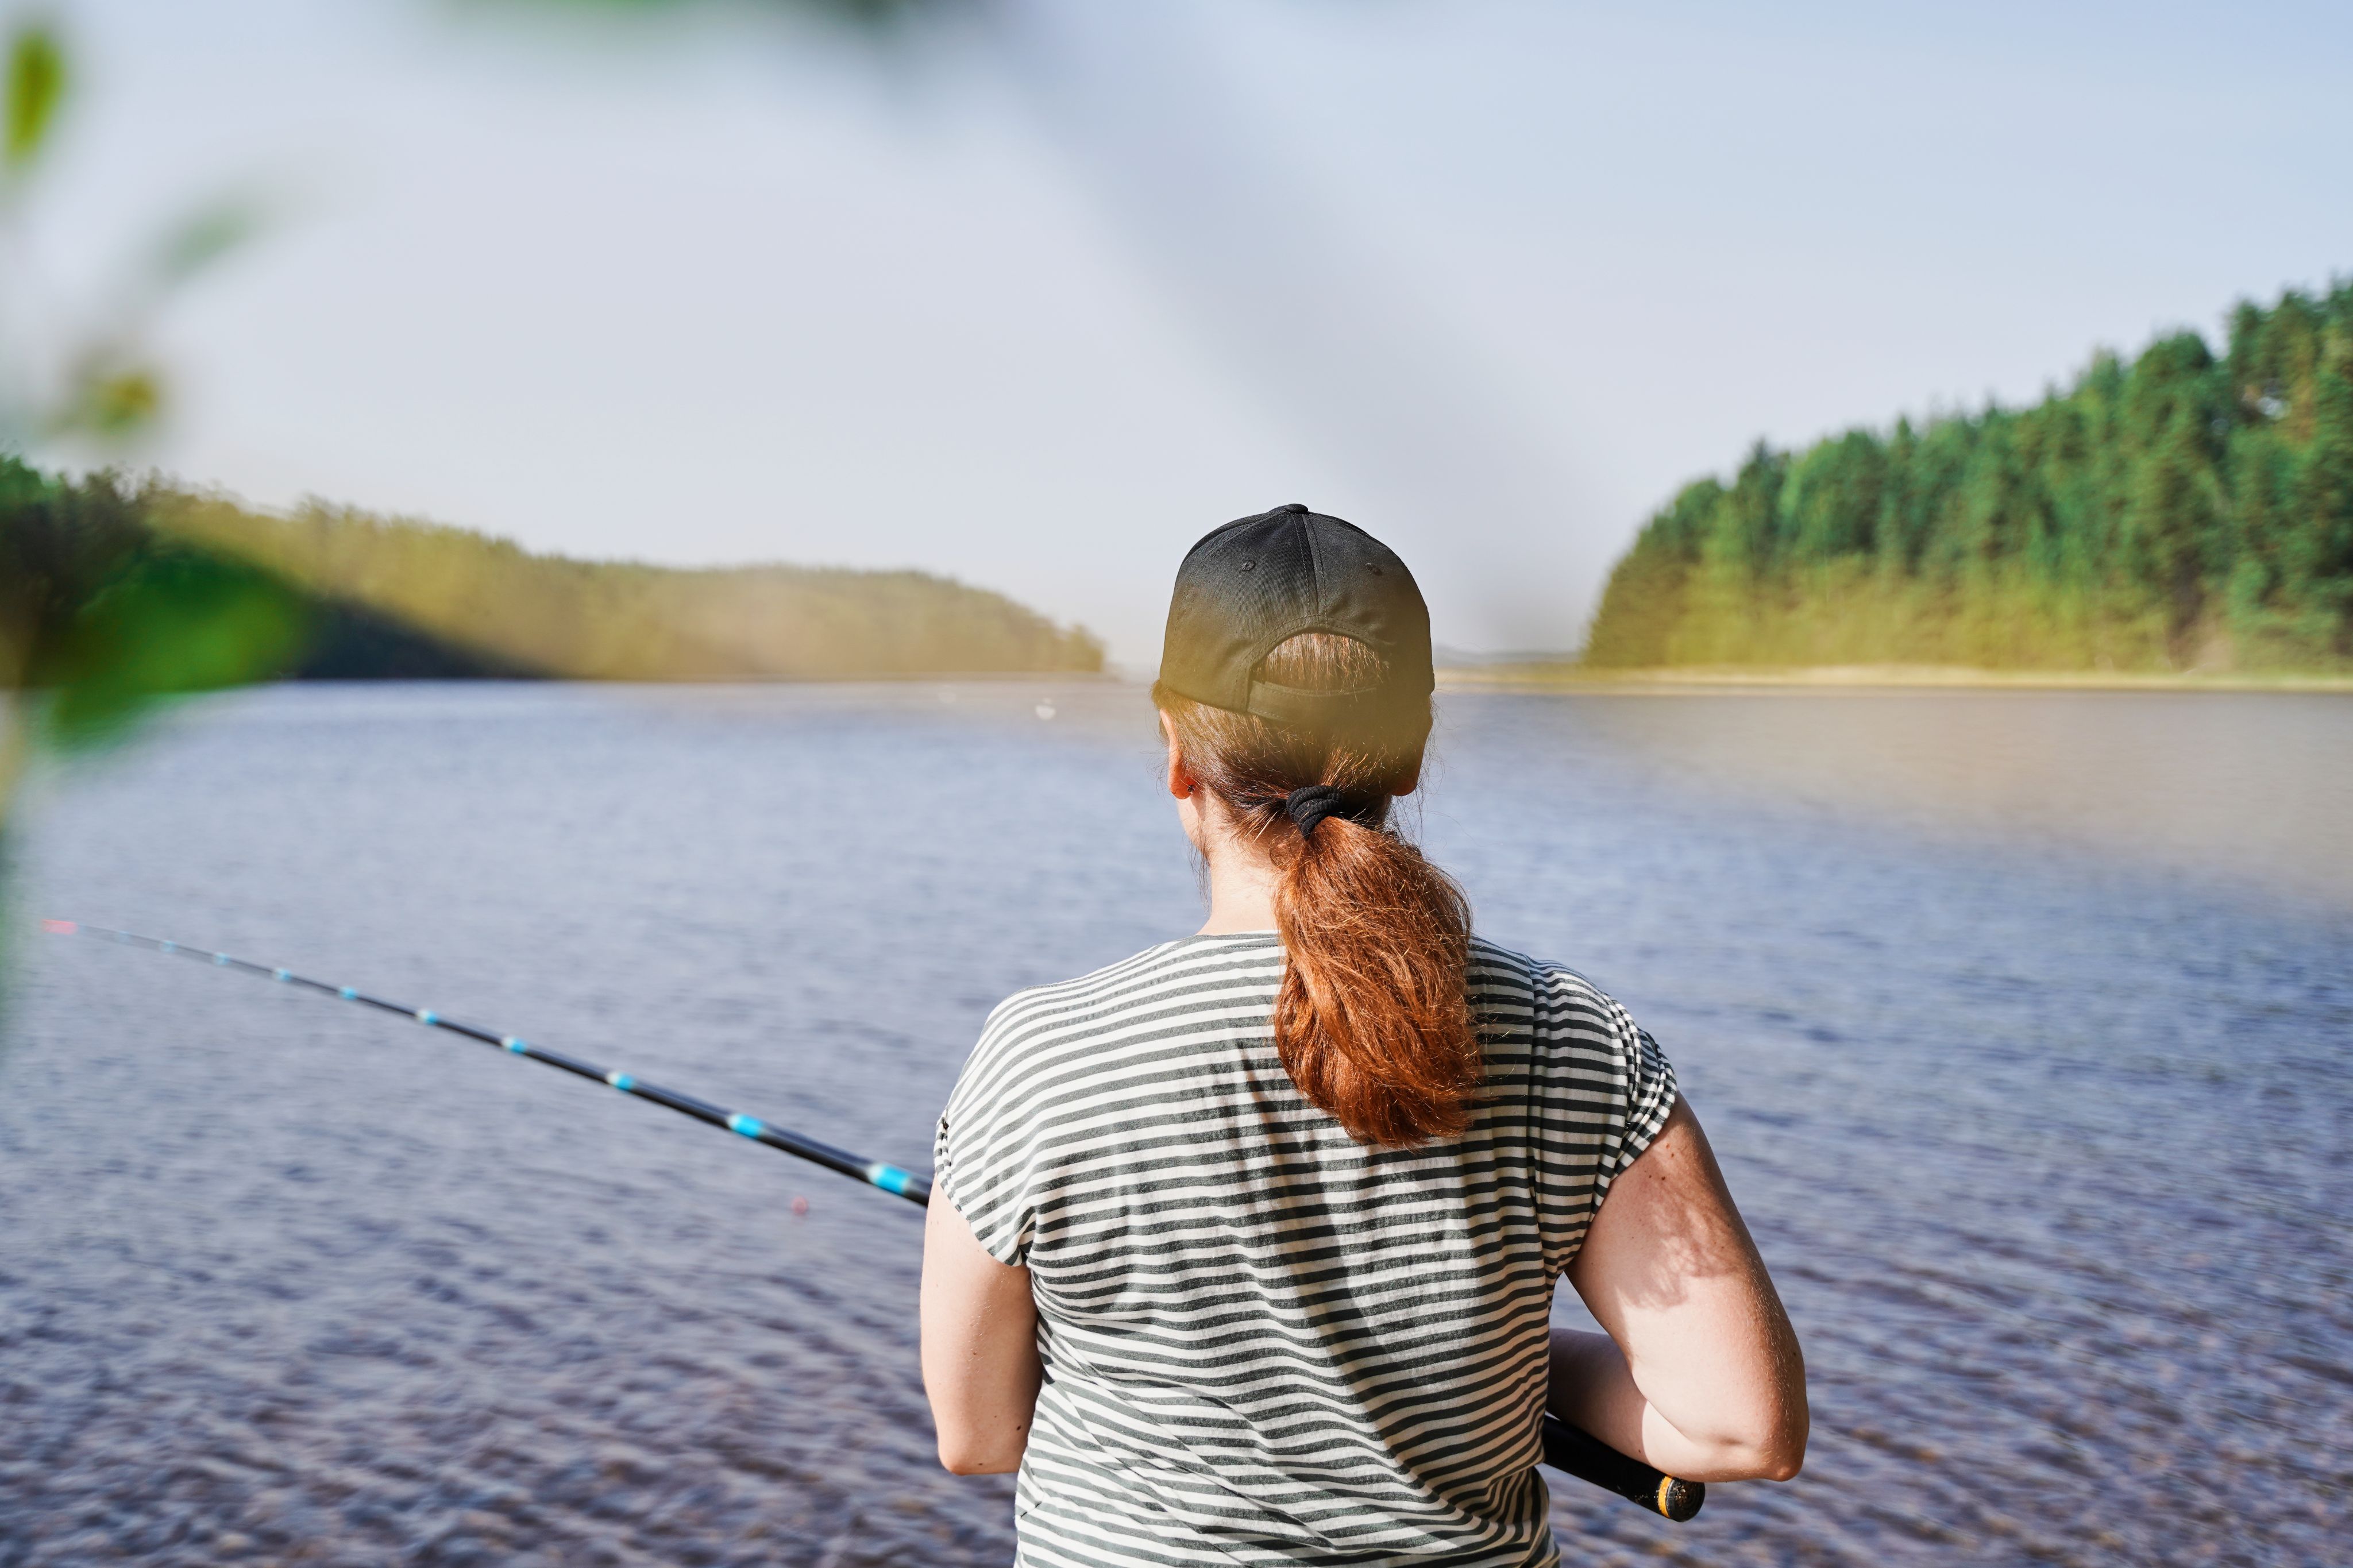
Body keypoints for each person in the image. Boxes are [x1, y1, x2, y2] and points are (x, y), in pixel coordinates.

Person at [921, 505, 1806, 1567]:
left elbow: (978, 1437)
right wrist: (1518, 1368)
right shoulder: (1579, 1038)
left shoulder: (1045, 1058)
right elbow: (1739, 1426)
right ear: (1412, 752)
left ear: (1175, 749)